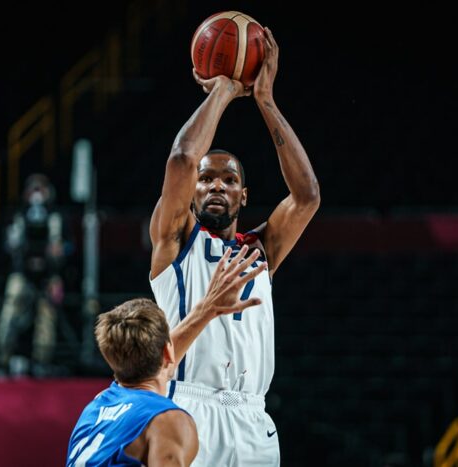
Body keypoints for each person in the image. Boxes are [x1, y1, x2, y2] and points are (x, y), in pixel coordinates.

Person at [149, 27, 320, 466]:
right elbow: (182, 159)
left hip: (253, 417)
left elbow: (307, 197)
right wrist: (223, 90)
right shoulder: (174, 241)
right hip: (191, 406)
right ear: (192, 193)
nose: (216, 186)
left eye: (229, 179)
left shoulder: (259, 251)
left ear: (243, 195)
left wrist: (266, 100)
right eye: (207, 180)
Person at [66, 246, 267, 467]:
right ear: (167, 352)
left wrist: (206, 310)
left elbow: (159, 359)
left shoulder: (95, 410)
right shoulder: (167, 421)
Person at [0, 173, 70, 374]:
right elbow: (5, 247)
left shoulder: (57, 218)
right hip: (22, 273)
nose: (37, 194)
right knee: (12, 304)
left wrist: (61, 250)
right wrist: (13, 245)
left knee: (47, 315)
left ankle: (41, 361)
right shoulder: (18, 216)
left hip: (48, 274)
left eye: (41, 189)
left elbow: (70, 247)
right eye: (33, 189)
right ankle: (2, 358)